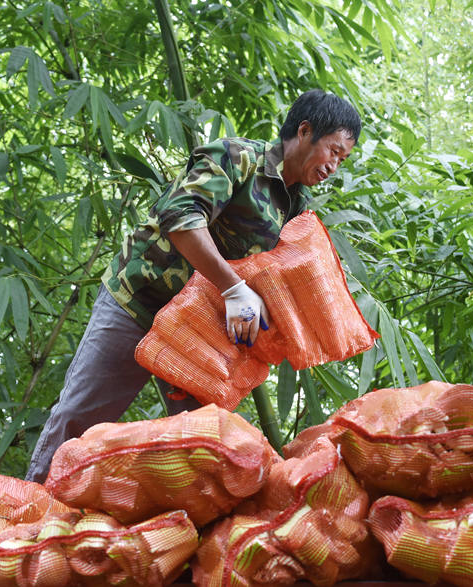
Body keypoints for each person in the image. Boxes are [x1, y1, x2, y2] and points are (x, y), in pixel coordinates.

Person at [25, 90, 361, 482]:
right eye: (333, 151)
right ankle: (29, 515)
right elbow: (180, 219)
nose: (334, 166)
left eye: (343, 159)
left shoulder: (295, 208)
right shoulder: (238, 158)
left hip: (196, 332)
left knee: (203, 448)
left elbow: (273, 278)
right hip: (138, 303)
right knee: (79, 419)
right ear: (304, 131)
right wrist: (234, 289)